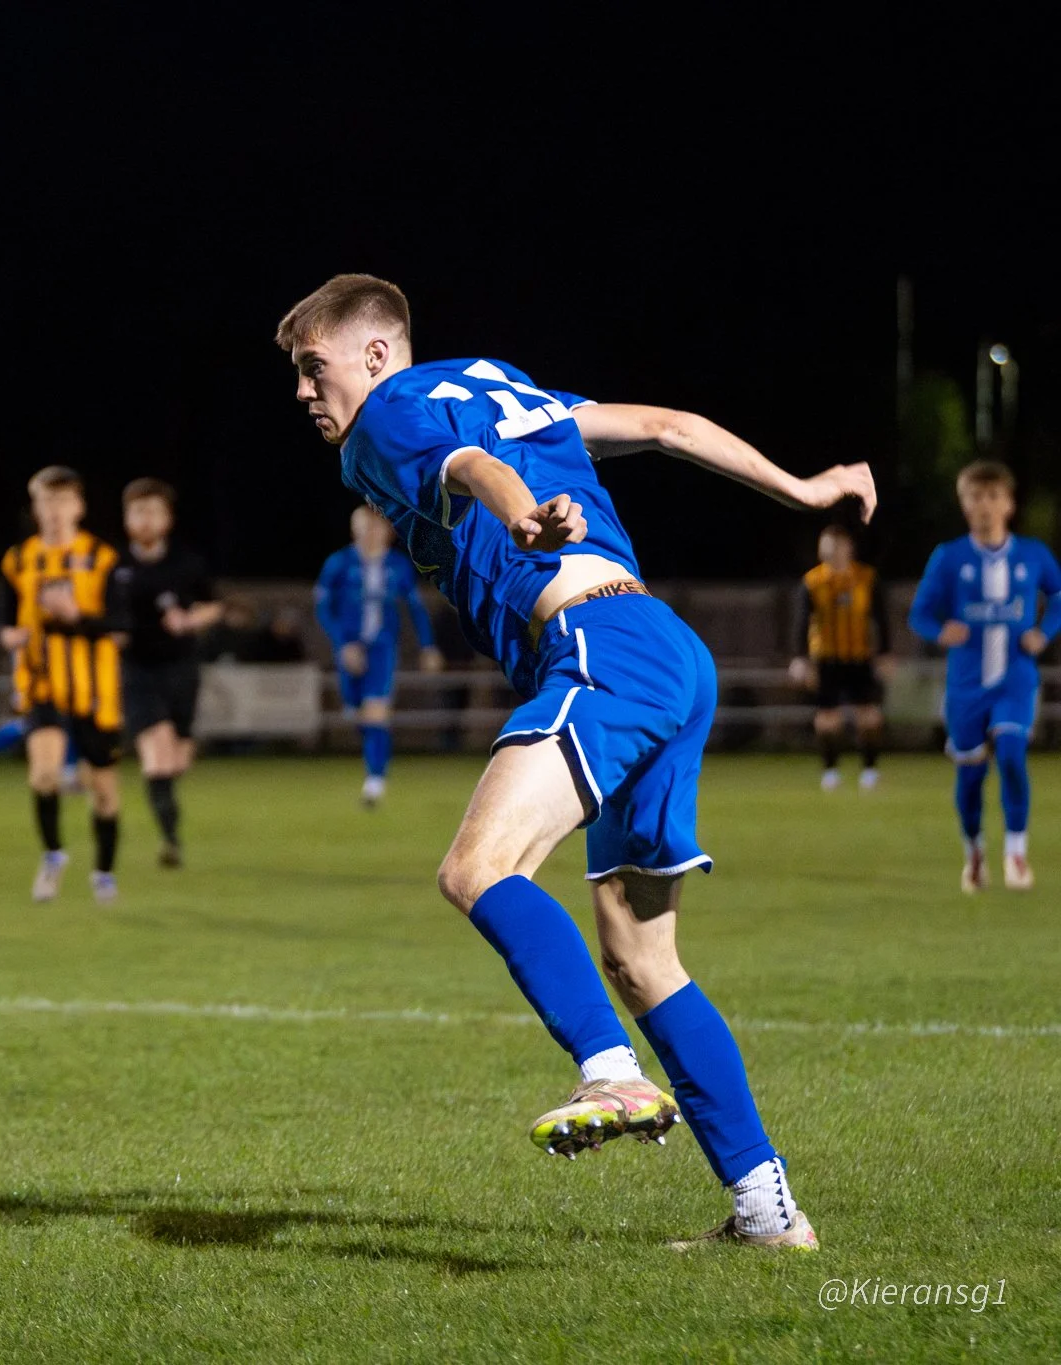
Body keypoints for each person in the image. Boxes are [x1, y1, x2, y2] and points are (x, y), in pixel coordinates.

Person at [278, 273, 874, 1250]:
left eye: (312, 368)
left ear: (377, 355)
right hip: (662, 647)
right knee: (642, 962)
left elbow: (470, 467)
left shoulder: (385, 417)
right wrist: (802, 489)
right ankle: (767, 1214)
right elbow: (668, 427)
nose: (304, 392)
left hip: (596, 649)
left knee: (475, 868)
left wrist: (515, 516)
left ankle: (609, 1073)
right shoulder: (500, 379)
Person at [907, 461, 1061, 892]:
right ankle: (974, 851)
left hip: (1015, 677)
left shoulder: (1033, 555)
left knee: (1012, 754)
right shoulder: (950, 557)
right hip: (966, 687)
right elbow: (919, 613)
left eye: (993, 497)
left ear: (1009, 504)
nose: (984, 506)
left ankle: (1016, 852)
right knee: (971, 775)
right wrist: (941, 630)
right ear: (964, 505)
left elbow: (1059, 594)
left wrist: (1044, 632)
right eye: (975, 498)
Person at [0, 466, 124, 902]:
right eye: (45, 502)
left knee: (105, 794)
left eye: (62, 501)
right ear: (35, 508)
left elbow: (119, 625)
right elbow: (5, 618)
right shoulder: (18, 560)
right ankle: (53, 856)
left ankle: (104, 874)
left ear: (79, 506)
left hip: (95, 692)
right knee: (45, 775)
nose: (53, 511)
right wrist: (9, 635)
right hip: (42, 686)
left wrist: (76, 618)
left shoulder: (102, 559)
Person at [114, 478, 221, 867]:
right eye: (137, 511)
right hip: (137, 672)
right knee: (157, 754)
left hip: (181, 669)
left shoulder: (187, 563)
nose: (145, 519)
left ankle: (168, 817)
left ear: (167, 518)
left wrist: (190, 620)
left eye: (153, 511)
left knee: (176, 760)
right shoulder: (113, 567)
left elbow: (214, 606)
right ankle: (171, 842)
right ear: (127, 518)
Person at [316, 505, 443, 805]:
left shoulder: (397, 566)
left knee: (377, 711)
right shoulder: (338, 564)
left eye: (375, 528)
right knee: (357, 713)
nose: (370, 534)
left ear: (386, 532)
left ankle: (375, 780)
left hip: (382, 649)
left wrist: (428, 646)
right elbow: (323, 608)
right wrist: (343, 644)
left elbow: (414, 607)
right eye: (363, 528)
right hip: (349, 647)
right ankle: (373, 758)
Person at [788, 525, 892, 792]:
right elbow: (801, 622)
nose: (832, 551)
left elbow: (881, 618)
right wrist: (800, 658)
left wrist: (885, 653)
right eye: (827, 545)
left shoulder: (866, 578)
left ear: (849, 547)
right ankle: (830, 771)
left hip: (859, 656)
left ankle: (870, 770)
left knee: (868, 717)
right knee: (827, 718)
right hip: (826, 657)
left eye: (837, 545)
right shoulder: (812, 581)